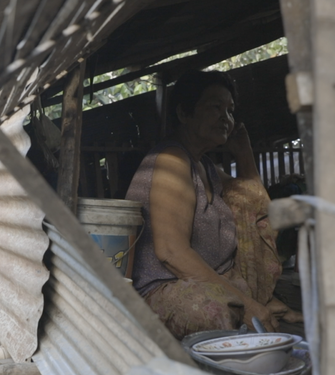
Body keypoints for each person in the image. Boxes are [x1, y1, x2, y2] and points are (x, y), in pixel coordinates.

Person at [125, 70, 301, 339]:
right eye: (215, 107)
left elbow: (255, 203)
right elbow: (171, 252)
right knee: (216, 312)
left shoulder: (204, 165)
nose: (226, 118)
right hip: (164, 287)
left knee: (248, 202)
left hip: (209, 282)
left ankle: (257, 305)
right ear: (184, 113)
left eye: (230, 110)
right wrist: (246, 304)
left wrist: (244, 152)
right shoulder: (171, 160)